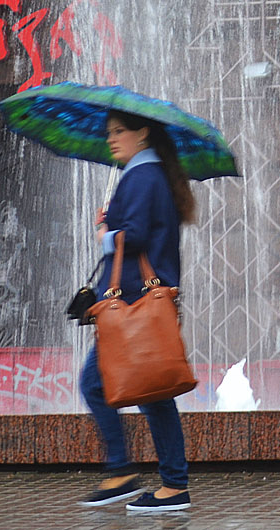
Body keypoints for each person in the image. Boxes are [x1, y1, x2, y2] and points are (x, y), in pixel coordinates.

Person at [79, 110, 197, 512]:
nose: (111, 139)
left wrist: (105, 233)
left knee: (99, 385)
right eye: (109, 132)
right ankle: (163, 481)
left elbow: (137, 236)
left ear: (142, 133)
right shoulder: (149, 174)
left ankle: (132, 473)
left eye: (119, 131)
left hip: (133, 303)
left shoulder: (143, 176)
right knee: (152, 393)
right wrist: (113, 222)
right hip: (140, 303)